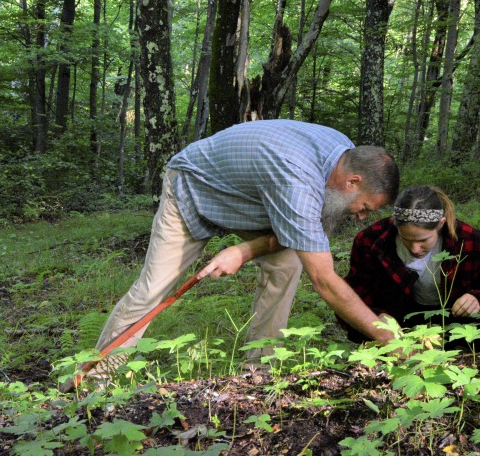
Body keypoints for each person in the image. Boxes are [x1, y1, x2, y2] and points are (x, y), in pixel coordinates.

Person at [85, 120, 400, 385]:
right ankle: (97, 380)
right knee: (153, 289)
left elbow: (292, 233)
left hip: (247, 203)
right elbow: (325, 280)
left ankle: (258, 374)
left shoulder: (342, 154)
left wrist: (244, 250)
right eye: (364, 208)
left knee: (288, 262)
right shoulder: (297, 179)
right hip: (192, 189)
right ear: (352, 182)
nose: (360, 217)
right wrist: (383, 335)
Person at [339, 185, 480, 347]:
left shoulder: (471, 242)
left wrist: (479, 299)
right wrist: (377, 316)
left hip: (457, 321)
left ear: (440, 224)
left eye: (423, 240)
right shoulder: (370, 242)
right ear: (395, 225)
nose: (415, 249)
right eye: (406, 240)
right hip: (401, 322)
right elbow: (352, 296)